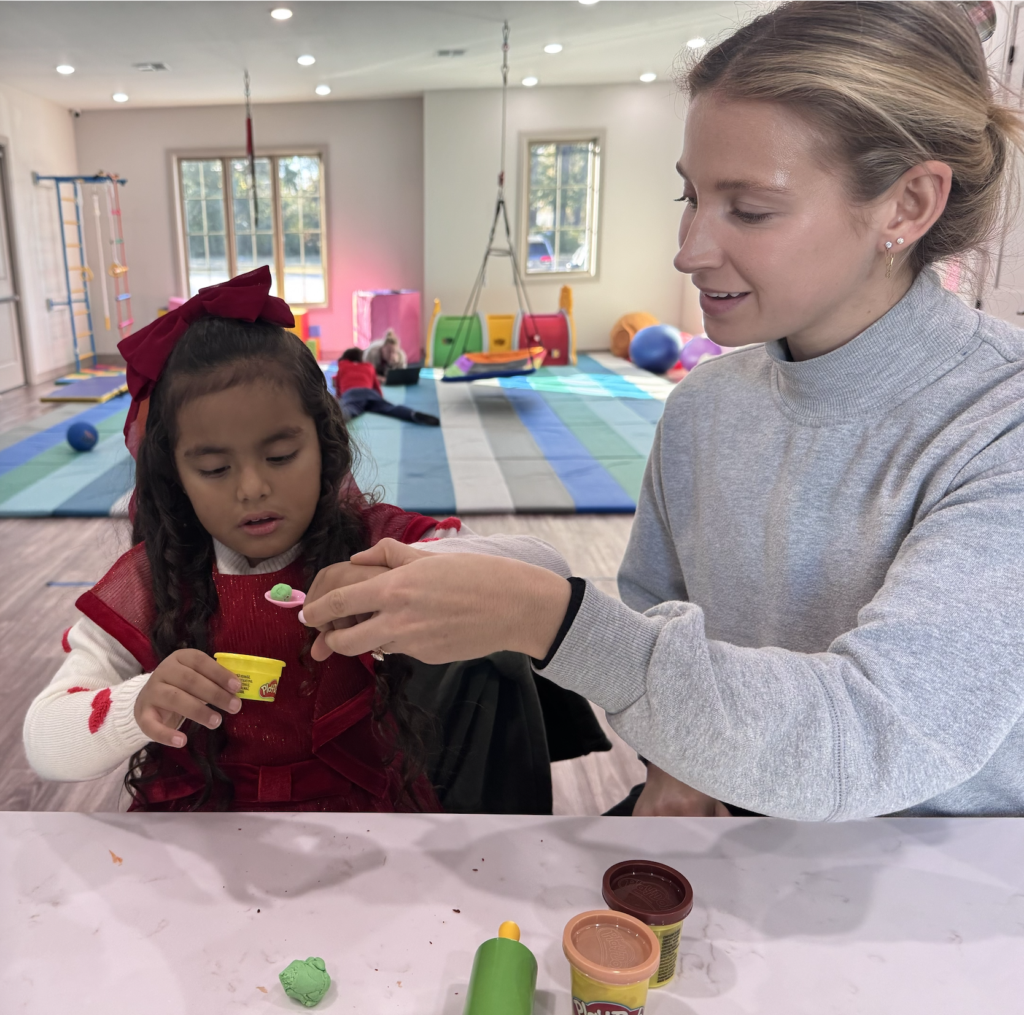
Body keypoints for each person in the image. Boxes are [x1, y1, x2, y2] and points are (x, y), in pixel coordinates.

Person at [297, 1, 1024, 821]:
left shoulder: (999, 425)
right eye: (691, 196)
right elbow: (656, 616)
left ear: (908, 204)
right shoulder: (707, 405)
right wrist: (676, 755)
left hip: (937, 873)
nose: (689, 250)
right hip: (731, 836)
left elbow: (873, 733)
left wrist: (543, 615)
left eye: (749, 209)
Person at [22, 267, 573, 812]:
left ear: (324, 445)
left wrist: (409, 574)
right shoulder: (154, 579)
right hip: (200, 833)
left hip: (362, 825)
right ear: (176, 477)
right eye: (214, 469)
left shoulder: (372, 542)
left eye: (281, 456)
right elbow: (45, 741)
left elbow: (549, 572)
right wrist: (136, 704)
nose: (252, 488)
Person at [335, 347, 438, 426]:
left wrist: (339, 399)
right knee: (389, 408)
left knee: (350, 409)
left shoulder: (343, 365)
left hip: (352, 393)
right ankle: (411, 414)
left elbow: (338, 388)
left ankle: (336, 420)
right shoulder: (369, 366)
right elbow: (376, 387)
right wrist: (379, 398)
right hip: (370, 393)